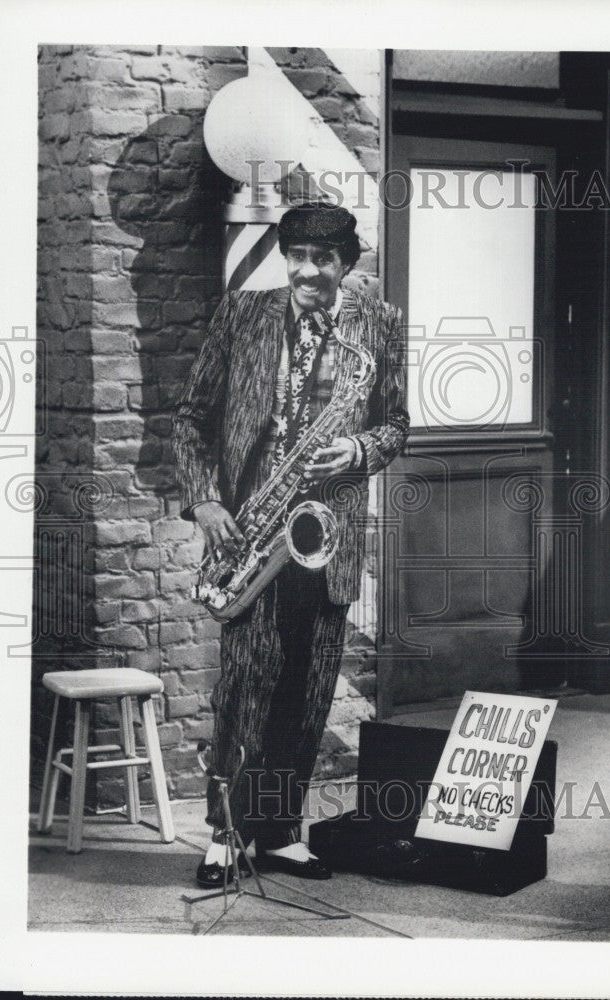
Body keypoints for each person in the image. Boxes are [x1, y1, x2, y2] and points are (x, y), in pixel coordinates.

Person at [172, 202, 409, 887]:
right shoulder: (242, 313)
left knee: (306, 695)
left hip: (323, 540)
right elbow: (191, 419)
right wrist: (207, 501)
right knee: (244, 691)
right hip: (251, 531)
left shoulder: (380, 323)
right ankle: (224, 835)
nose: (307, 270)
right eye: (297, 255)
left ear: (347, 263)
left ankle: (277, 832)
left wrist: (359, 447)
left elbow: (396, 425)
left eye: (323, 259)